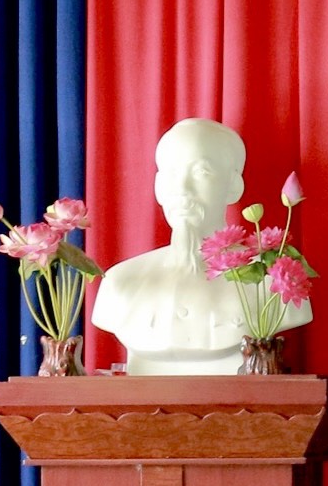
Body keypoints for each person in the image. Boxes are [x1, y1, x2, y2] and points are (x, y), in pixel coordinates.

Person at [93, 118, 311, 374]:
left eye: (201, 173)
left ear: (234, 186)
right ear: (158, 187)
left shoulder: (272, 281)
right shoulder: (119, 282)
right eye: (172, 173)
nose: (182, 189)